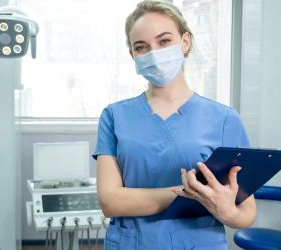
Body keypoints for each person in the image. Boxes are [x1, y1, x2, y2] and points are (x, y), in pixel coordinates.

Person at [92, 0, 257, 249]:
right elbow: (111, 202)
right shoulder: (114, 116)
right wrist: (191, 193)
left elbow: (246, 213)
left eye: (164, 41)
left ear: (185, 42)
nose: (154, 53)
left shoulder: (224, 119)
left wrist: (226, 211)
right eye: (141, 47)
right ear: (133, 56)